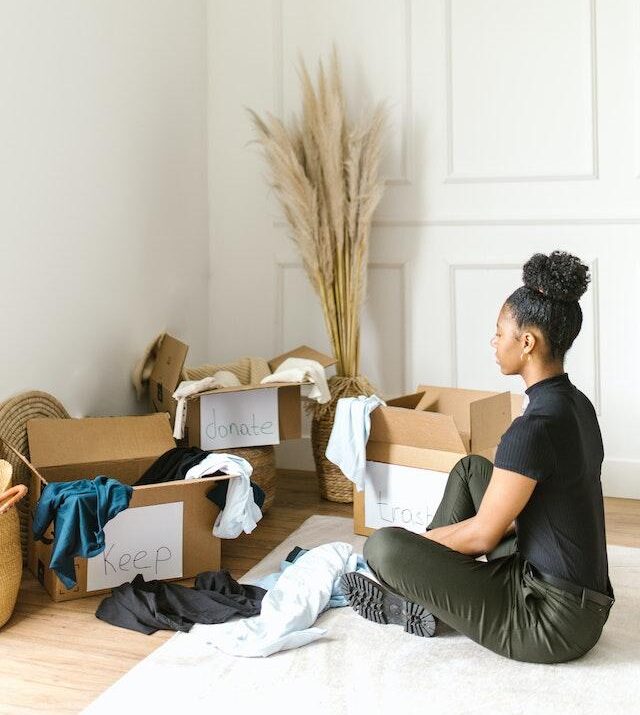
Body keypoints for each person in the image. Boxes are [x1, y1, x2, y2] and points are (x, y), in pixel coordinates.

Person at [341, 250, 614, 663]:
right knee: (471, 469)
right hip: (570, 595)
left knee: (382, 547)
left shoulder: (532, 428)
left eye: (499, 332)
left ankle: (414, 594)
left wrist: (416, 547)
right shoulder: (576, 405)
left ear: (527, 343)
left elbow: (484, 536)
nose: (494, 341)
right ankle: (426, 587)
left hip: (551, 623)